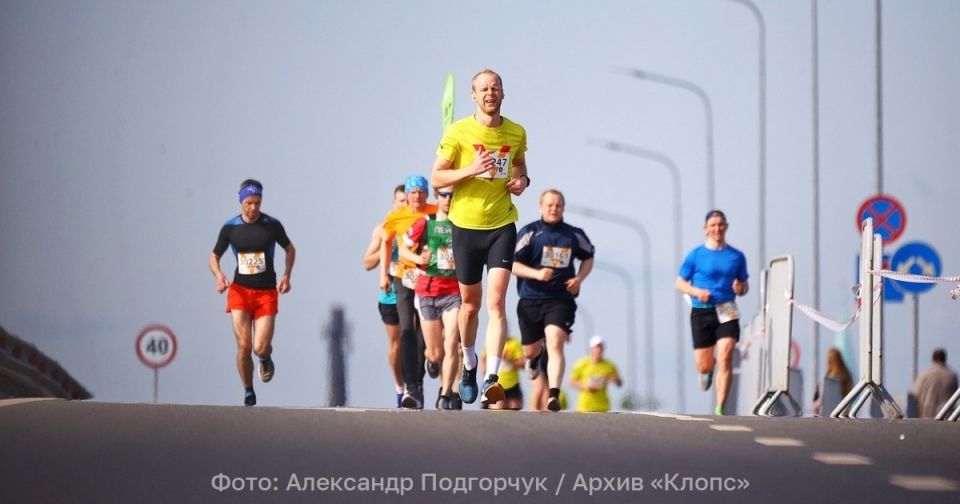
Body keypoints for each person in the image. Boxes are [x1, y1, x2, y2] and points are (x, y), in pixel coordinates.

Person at [430, 68, 530, 406]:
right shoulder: (458, 132)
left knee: (497, 302)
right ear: (474, 95)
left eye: (495, 87)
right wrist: (471, 169)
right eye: (484, 88)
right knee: (470, 306)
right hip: (465, 227)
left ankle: (492, 376)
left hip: (502, 225)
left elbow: (520, 168)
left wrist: (521, 183)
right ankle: (469, 363)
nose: (490, 93)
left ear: (503, 93)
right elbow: (437, 178)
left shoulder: (516, 132)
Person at [209, 179, 296, 406]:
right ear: (241, 201)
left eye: (257, 202)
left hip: (266, 292)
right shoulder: (231, 228)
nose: (253, 208)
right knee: (244, 345)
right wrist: (219, 276)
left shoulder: (272, 225)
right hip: (239, 291)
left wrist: (287, 275)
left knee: (259, 347)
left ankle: (265, 357)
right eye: (249, 203)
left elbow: (289, 248)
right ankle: (248, 390)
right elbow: (214, 256)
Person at [512, 189, 594, 412]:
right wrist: (537, 274)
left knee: (555, 341)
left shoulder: (573, 235)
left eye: (558, 205)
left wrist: (579, 278)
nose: (553, 208)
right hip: (530, 299)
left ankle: (553, 394)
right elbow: (511, 264)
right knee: (530, 350)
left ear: (563, 208)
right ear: (540, 207)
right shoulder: (530, 233)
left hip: (560, 299)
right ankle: (534, 359)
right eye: (549, 204)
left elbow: (588, 257)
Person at [675, 209, 749, 416]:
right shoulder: (696, 255)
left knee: (726, 356)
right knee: (704, 365)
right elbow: (679, 282)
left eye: (720, 225)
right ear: (706, 229)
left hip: (727, 309)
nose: (717, 229)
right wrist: (696, 291)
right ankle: (706, 372)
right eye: (713, 225)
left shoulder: (736, 256)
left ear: (726, 227)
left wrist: (740, 288)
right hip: (701, 311)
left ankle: (720, 408)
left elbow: (744, 285)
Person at [399, 186, 463, 410]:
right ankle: (432, 361)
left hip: (454, 292)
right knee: (435, 352)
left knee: (453, 342)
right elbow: (403, 249)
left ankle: (445, 394)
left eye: (453, 195)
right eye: (444, 195)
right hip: (428, 291)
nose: (448, 199)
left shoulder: (463, 224)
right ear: (437, 197)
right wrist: (418, 257)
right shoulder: (425, 222)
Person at [380, 175, 437, 409]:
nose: (417, 196)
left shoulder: (435, 211)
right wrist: (383, 274)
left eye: (421, 192)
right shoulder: (396, 217)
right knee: (406, 329)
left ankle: (419, 380)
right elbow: (385, 242)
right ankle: (410, 386)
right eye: (413, 192)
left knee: (424, 330)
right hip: (403, 277)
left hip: (429, 277)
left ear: (427, 194)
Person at [363, 184, 407, 407]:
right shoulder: (382, 229)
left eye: (408, 200)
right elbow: (366, 263)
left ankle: (413, 385)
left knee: (419, 343)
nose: (406, 204)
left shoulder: (421, 224)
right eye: (402, 201)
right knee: (396, 345)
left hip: (414, 291)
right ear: (394, 203)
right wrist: (384, 247)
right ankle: (400, 387)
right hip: (390, 295)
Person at [569, 336, 622, 413]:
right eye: (596, 347)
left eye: (601, 347)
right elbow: (571, 382)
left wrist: (614, 379)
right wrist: (586, 387)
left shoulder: (610, 365)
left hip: (604, 407)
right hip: (585, 407)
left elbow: (619, 383)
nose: (599, 349)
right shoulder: (581, 364)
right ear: (591, 349)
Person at [479, 335, 525, 410]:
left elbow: (522, 363)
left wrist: (510, 362)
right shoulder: (491, 342)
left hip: (512, 384)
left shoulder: (514, 343)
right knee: (497, 408)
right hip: (495, 383)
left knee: (515, 407)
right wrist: (484, 373)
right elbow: (482, 358)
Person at [911, 348, 959, 418]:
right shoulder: (952, 376)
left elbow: (914, 395)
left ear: (933, 359)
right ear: (945, 359)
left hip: (928, 415)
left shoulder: (925, 375)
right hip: (947, 415)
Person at [812, 347, 853, 415]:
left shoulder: (829, 378)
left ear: (829, 361)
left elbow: (820, 397)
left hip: (828, 412)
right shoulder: (846, 376)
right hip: (843, 412)